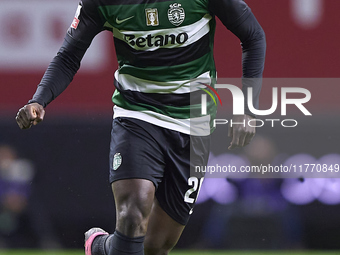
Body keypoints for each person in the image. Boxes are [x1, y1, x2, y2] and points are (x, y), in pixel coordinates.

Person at [15, 0, 266, 254]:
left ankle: (100, 247)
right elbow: (69, 55)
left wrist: (248, 108)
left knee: (155, 246)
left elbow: (253, 36)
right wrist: (39, 99)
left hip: (194, 122)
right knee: (133, 213)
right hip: (137, 114)